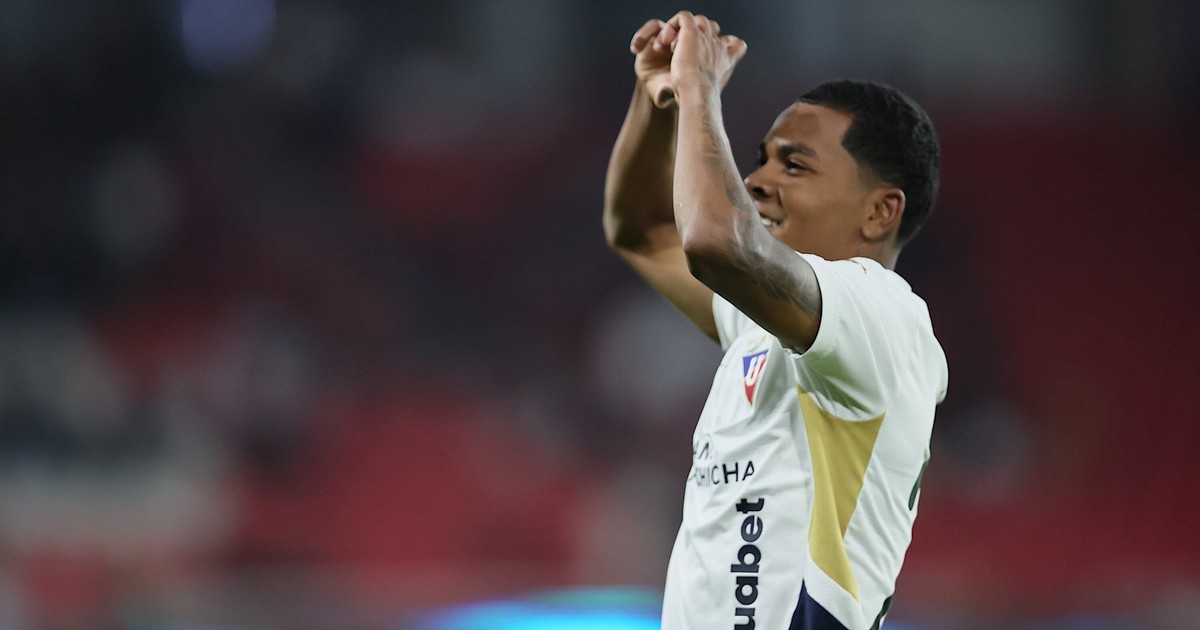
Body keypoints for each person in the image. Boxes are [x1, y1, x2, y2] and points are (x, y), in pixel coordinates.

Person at [602, 11, 948, 630]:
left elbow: (713, 241)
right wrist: (662, 99)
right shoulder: (765, 326)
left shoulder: (883, 317)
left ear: (880, 212)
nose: (756, 180)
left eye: (794, 165)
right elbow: (643, 231)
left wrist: (701, 89)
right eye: (761, 160)